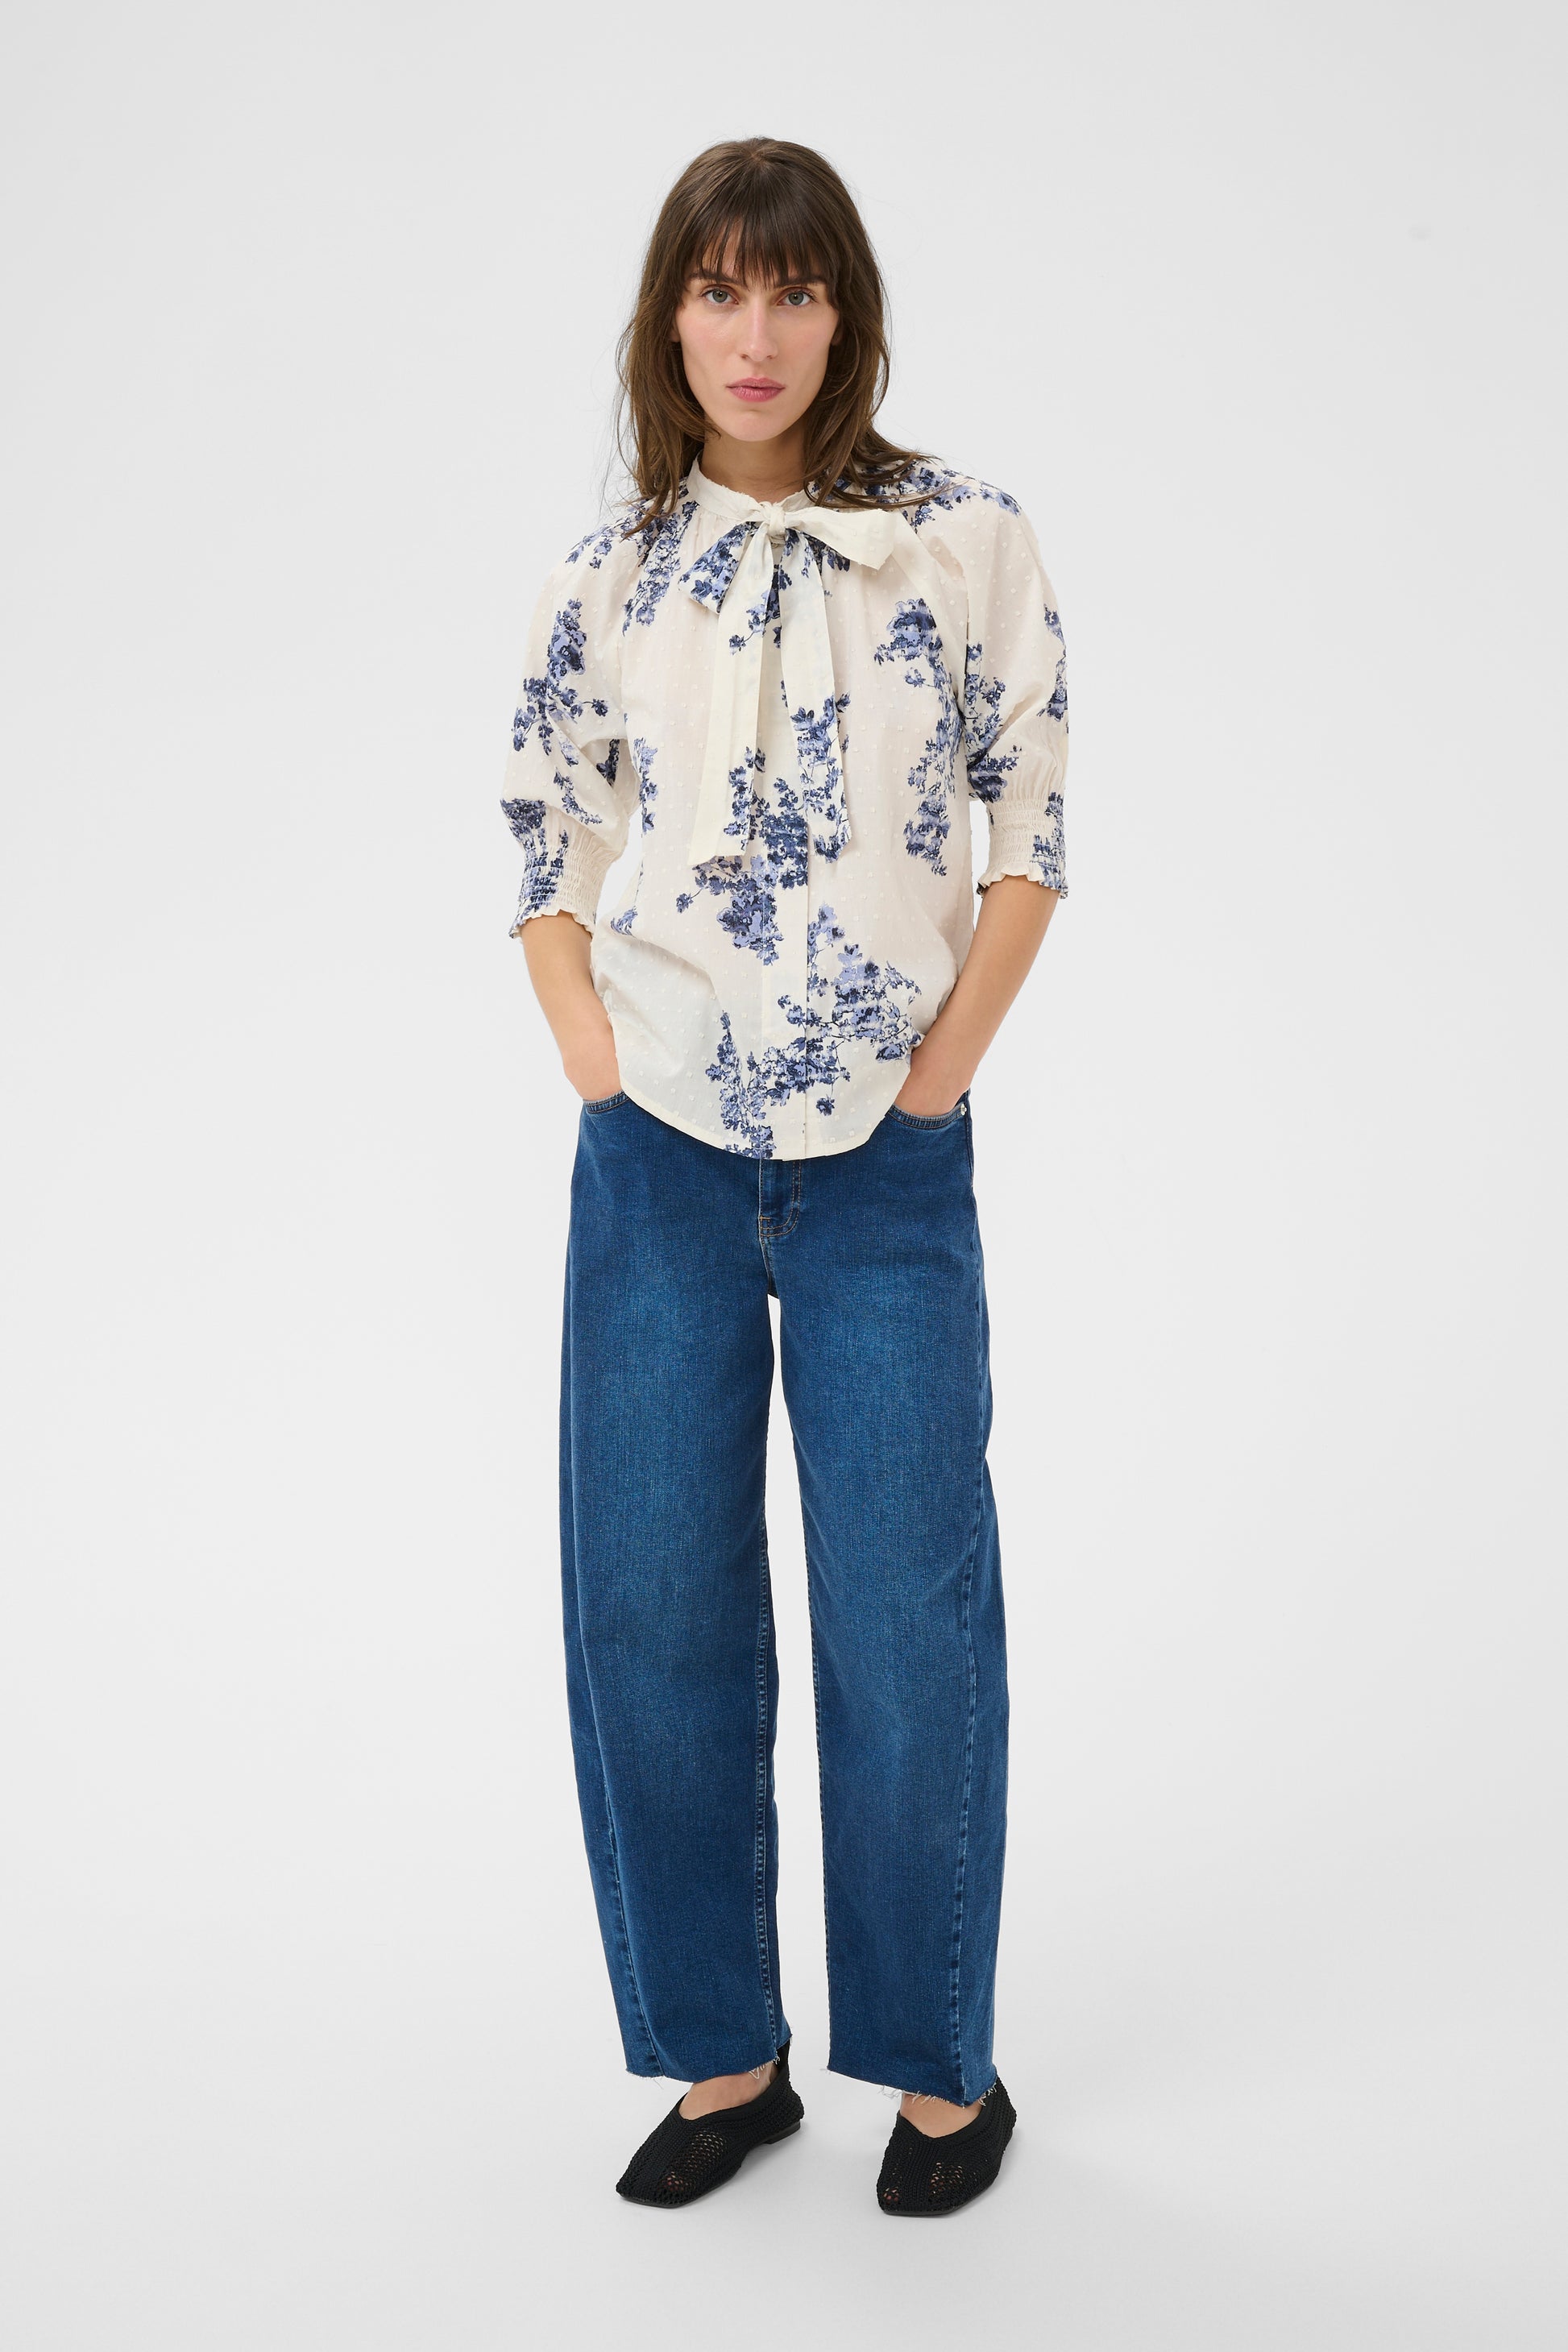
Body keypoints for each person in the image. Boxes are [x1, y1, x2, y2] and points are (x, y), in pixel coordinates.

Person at [500, 136, 1068, 2216]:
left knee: (907, 1618)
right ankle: (724, 2063)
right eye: (717, 291)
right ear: (671, 318)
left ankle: (938, 2071)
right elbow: (535, 828)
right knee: (649, 1600)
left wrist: (939, 1081)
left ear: (847, 315)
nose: (755, 333)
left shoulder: (963, 538)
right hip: (654, 1148)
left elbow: (1031, 826)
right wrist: (587, 1048)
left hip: (883, 1168)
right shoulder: (610, 569)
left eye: (794, 291)